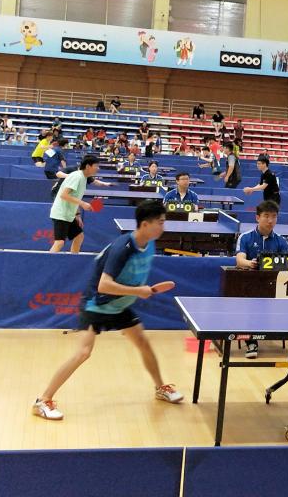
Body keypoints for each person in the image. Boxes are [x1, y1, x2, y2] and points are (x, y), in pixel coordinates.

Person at [32, 200, 184, 421]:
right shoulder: (123, 248)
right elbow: (104, 285)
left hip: (120, 305)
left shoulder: (149, 244)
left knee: (143, 342)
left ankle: (160, 388)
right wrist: (138, 291)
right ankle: (42, 400)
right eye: (160, 222)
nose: (163, 226)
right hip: (97, 304)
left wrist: (139, 290)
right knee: (83, 353)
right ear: (145, 224)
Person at [235, 201, 288, 359]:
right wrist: (250, 263)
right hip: (251, 285)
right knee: (250, 305)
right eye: (266, 216)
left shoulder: (281, 241)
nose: (270, 220)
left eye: (274, 216)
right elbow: (239, 260)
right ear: (257, 217)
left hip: (276, 286)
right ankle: (251, 343)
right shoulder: (245, 237)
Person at [49, 155, 100, 254]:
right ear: (88, 166)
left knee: (79, 236)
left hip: (68, 214)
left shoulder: (83, 178)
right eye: (96, 166)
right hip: (61, 214)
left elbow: (74, 196)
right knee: (59, 243)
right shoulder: (77, 176)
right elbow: (64, 195)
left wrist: (77, 215)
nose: (98, 168)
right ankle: (46, 262)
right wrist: (83, 204)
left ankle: (74, 258)